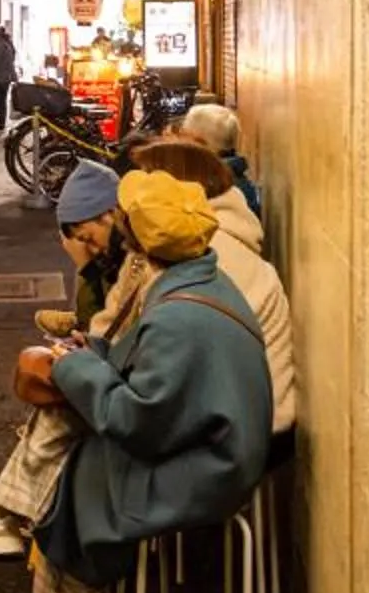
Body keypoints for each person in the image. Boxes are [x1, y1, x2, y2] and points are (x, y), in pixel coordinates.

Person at [26, 170, 273, 593]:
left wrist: (76, 367)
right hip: (222, 446)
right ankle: (63, 577)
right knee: (79, 451)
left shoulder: (176, 316)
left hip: (210, 471)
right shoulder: (207, 281)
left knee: (81, 464)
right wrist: (91, 353)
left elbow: (136, 420)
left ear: (143, 244)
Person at [0, 159, 131, 556]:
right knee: (58, 392)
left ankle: (4, 517)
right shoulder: (147, 265)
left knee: (61, 406)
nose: (90, 248)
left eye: (88, 237)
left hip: (161, 427)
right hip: (160, 407)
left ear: (110, 215)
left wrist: (84, 341)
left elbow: (126, 346)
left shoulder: (144, 270)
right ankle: (3, 516)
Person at [126, 138, 297, 437]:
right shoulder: (197, 246)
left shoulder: (209, 258)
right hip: (223, 417)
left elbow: (161, 388)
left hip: (234, 435)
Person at [177, 103, 261, 217]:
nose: (178, 143)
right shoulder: (233, 178)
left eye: (183, 135)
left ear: (198, 143)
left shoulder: (215, 186)